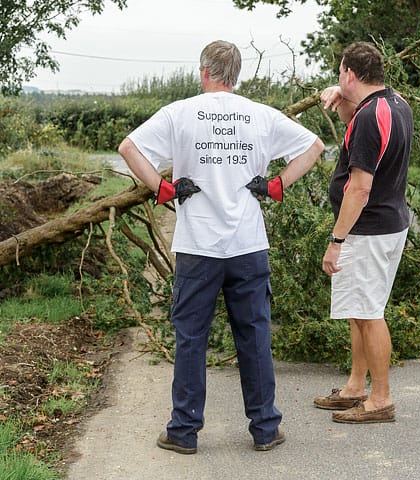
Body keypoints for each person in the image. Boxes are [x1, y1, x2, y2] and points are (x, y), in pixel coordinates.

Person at [118, 40, 324, 454]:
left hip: (198, 246)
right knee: (254, 336)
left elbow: (129, 148)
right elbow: (314, 146)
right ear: (236, 75)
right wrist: (275, 185)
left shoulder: (180, 113)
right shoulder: (261, 115)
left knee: (191, 338)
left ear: (204, 72)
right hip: (248, 245)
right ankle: (265, 428)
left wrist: (164, 190)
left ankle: (183, 432)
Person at [312, 42, 413, 424]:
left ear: (350, 74)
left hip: (367, 229)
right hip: (388, 223)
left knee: (369, 313)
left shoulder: (370, 118)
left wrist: (336, 241)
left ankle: (381, 398)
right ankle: (356, 386)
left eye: (341, 73)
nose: (338, 78)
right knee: (359, 308)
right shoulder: (394, 103)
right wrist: (343, 98)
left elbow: (359, 188)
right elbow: (362, 133)